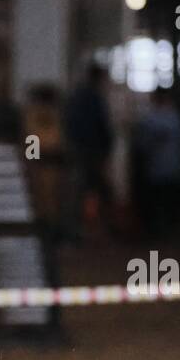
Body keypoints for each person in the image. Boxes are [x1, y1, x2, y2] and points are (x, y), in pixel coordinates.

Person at [63, 63, 115, 239]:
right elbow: (101, 126)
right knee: (93, 190)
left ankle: (81, 229)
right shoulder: (92, 98)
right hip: (90, 151)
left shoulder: (78, 97)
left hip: (82, 149)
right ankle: (93, 229)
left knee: (82, 190)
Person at [133, 88, 180, 239]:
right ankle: (158, 232)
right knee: (157, 205)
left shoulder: (173, 118)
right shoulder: (151, 118)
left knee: (169, 204)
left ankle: (169, 231)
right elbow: (142, 143)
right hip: (156, 170)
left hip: (170, 169)